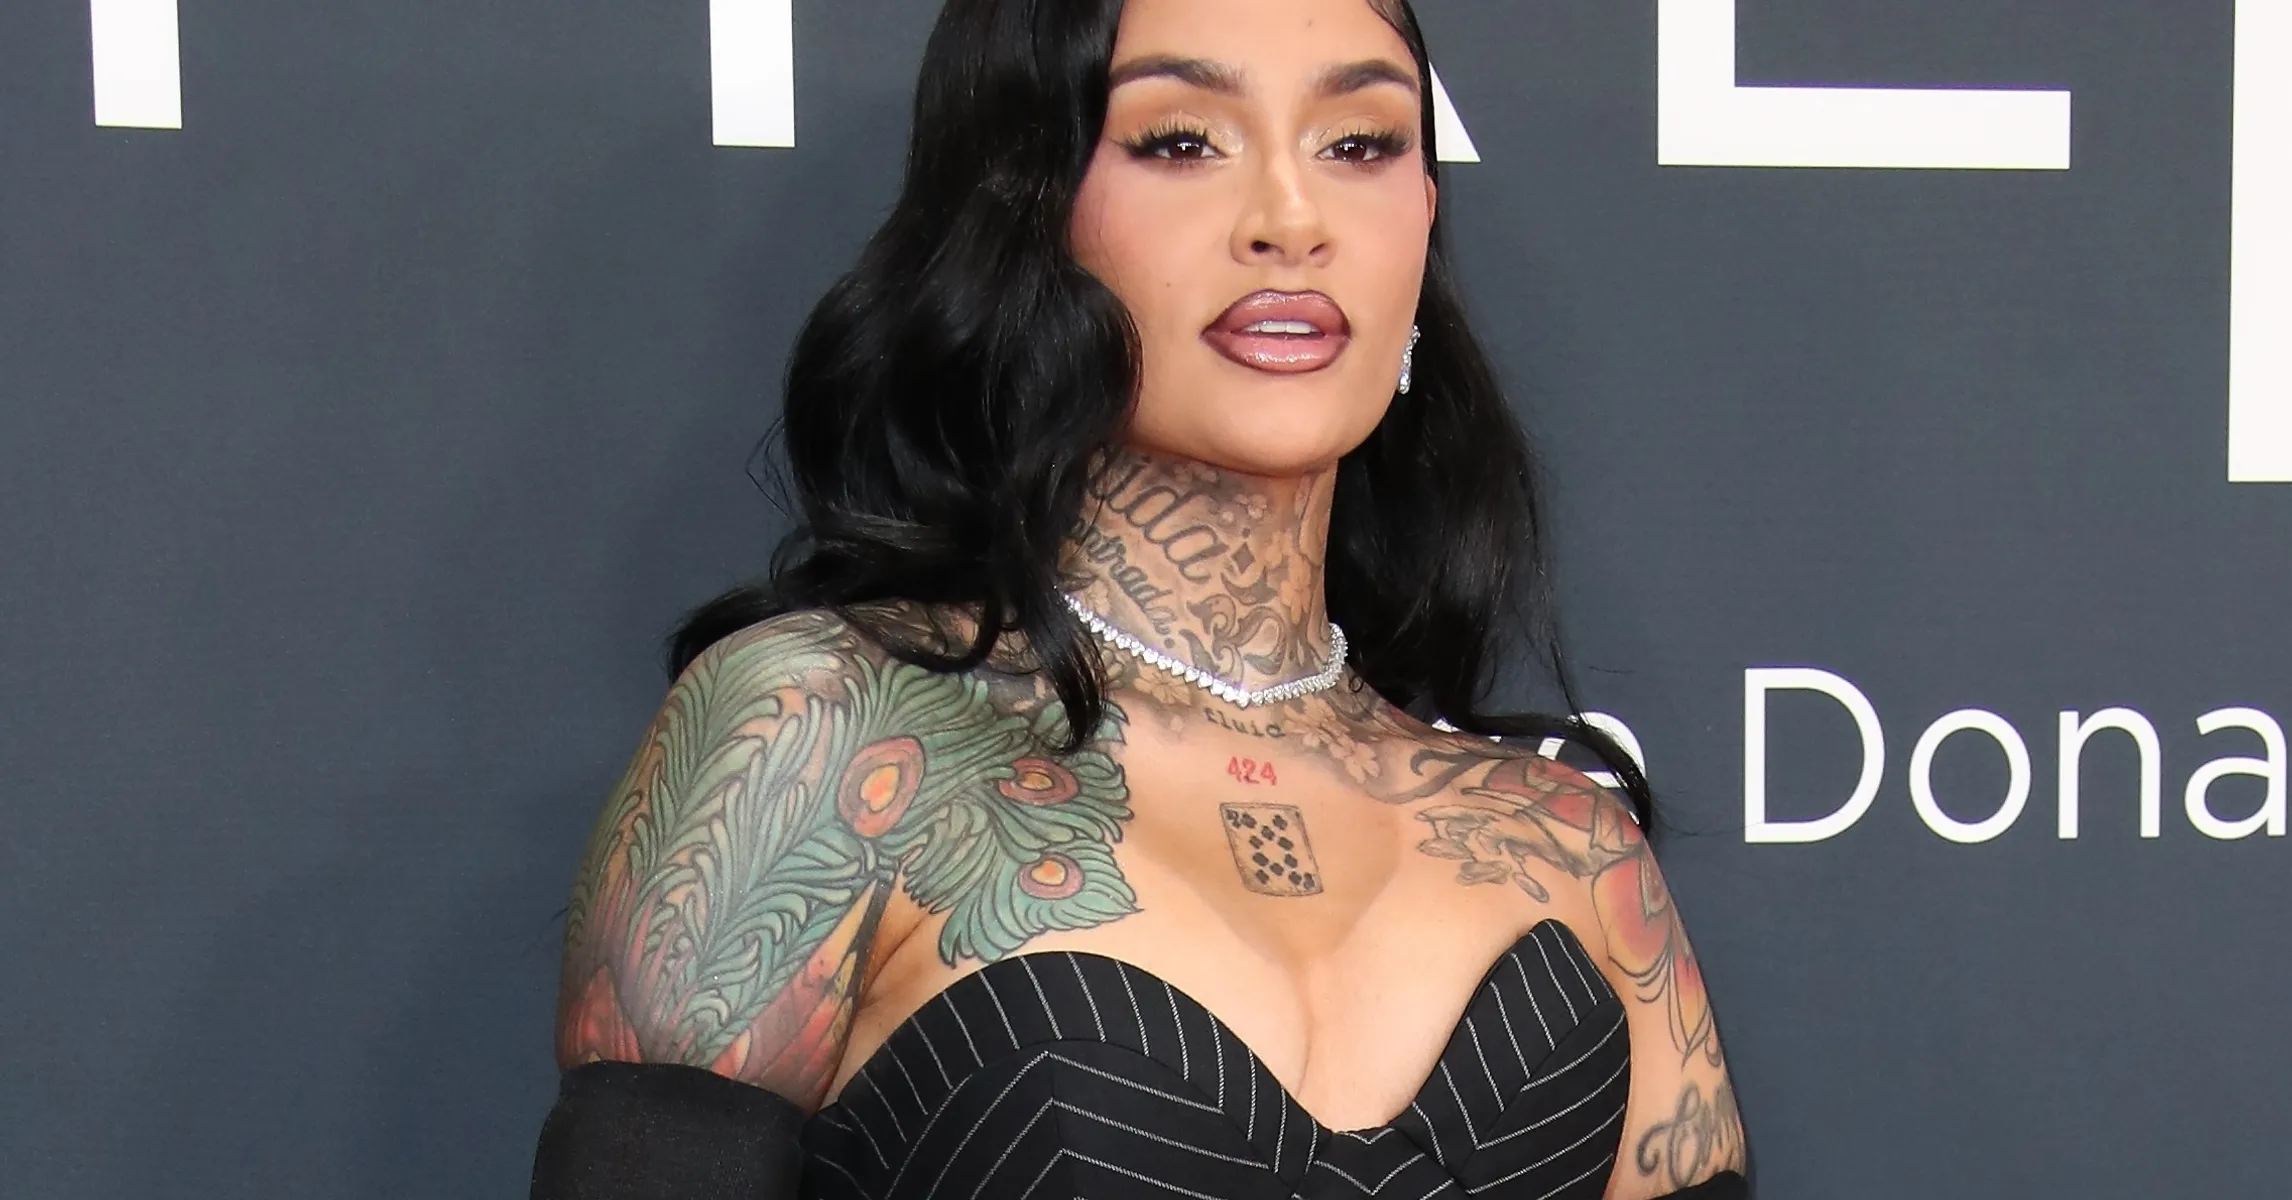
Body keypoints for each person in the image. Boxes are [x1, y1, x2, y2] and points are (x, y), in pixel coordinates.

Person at [531, 0, 1750, 1195]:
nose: (1290, 220)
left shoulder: (1572, 854)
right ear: (1027, 206)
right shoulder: (824, 736)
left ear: (1425, 217)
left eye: (1359, 143)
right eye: (1180, 142)